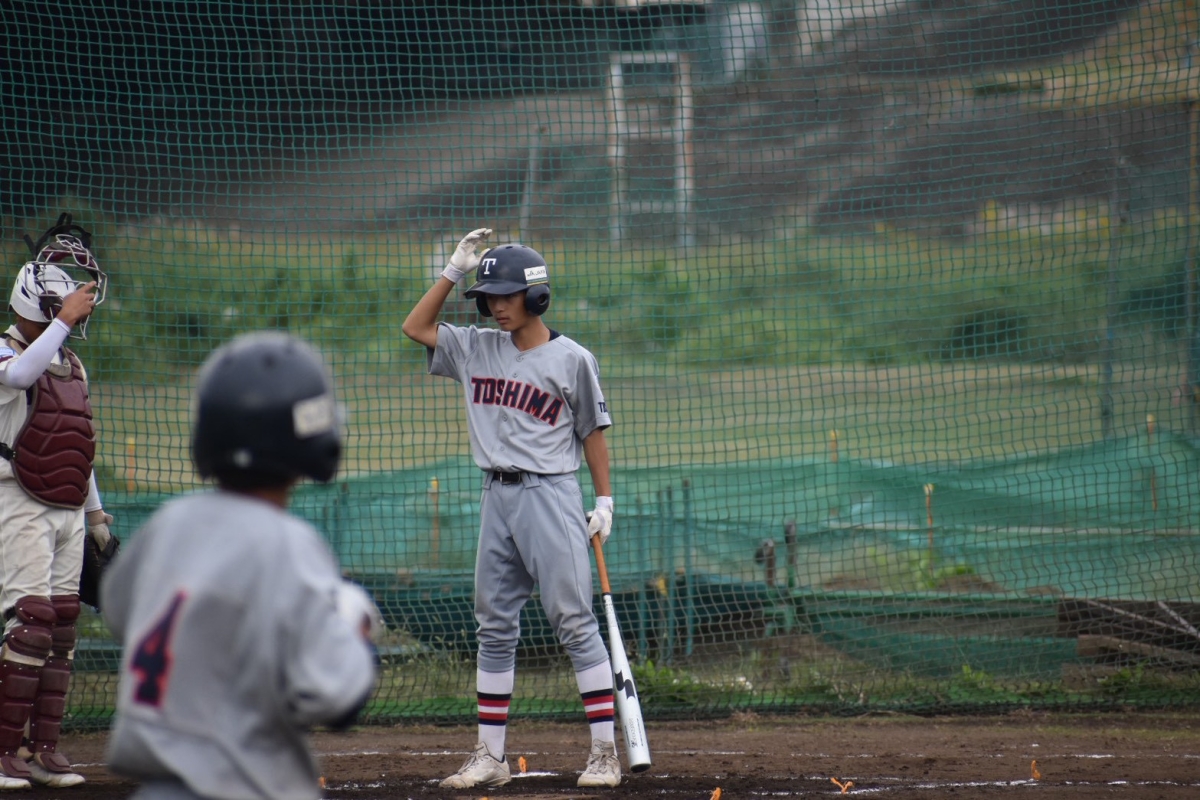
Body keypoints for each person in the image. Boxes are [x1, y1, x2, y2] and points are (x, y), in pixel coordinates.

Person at [100, 331, 380, 800]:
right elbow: (335, 697)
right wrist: (353, 627)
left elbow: (119, 612)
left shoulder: (170, 522)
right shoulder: (288, 543)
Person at [402, 228, 620, 789]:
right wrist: (453, 271)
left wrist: (603, 501)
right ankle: (491, 757)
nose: (496, 306)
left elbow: (592, 432)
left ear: (536, 296)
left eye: (505, 295)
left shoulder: (572, 359)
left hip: (550, 495)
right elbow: (416, 327)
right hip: (494, 497)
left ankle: (604, 754)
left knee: (573, 620)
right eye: (487, 297)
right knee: (494, 626)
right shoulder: (475, 347)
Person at [0, 213, 115, 789]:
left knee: (63, 625)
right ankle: (4, 752)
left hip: (68, 504)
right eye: (63, 308)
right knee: (31, 624)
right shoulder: (5, 352)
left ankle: (43, 750)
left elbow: (76, 440)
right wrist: (63, 323)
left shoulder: (71, 362)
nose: (74, 316)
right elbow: (21, 377)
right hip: (18, 500)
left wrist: (96, 515)